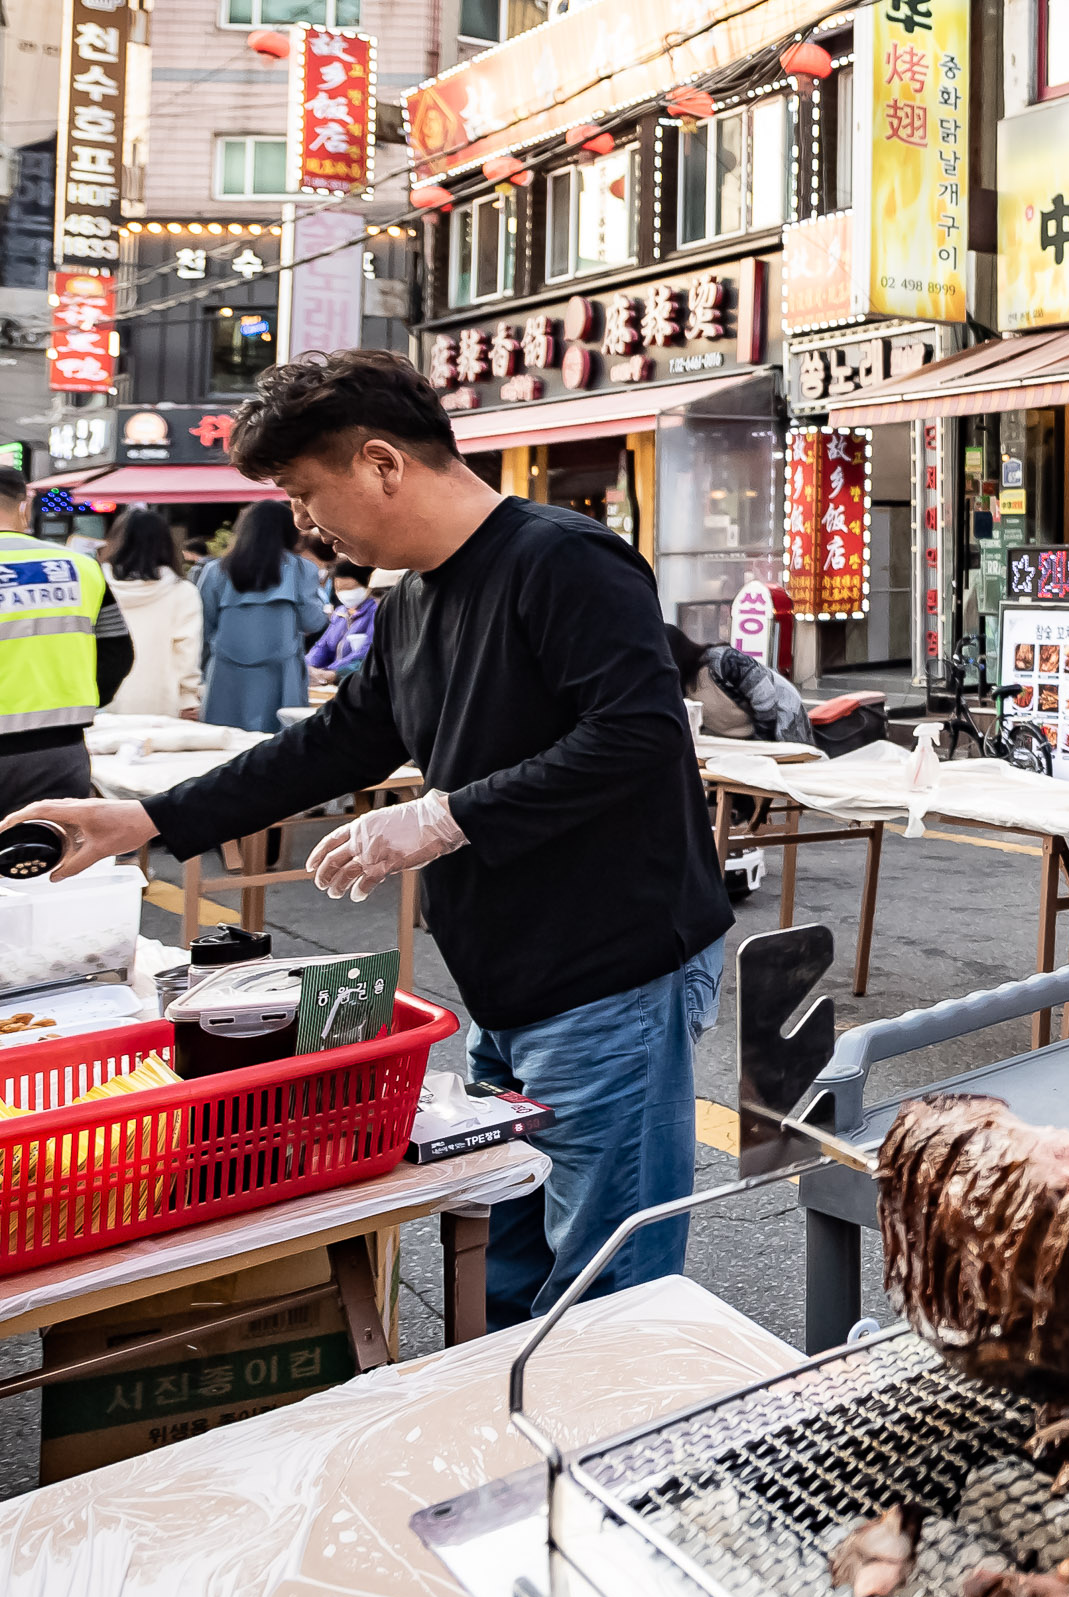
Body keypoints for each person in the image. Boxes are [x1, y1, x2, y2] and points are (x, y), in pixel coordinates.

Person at [5, 349, 732, 1328]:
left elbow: (638, 733)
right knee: (508, 1261)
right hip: (507, 977)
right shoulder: (414, 598)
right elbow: (339, 740)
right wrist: (148, 818)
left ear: (382, 463)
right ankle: (520, 1463)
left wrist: (445, 814)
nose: (306, 523)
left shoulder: (564, 558)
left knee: (605, 1284)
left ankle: (614, 1469)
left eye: (307, 493)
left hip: (612, 970)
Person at [0, 466, 131, 817]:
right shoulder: (80, 567)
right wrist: (81, 701)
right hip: (57, 752)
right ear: (25, 507)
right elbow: (118, 651)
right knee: (49, 861)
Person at [197, 499, 328, 732]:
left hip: (225, 674)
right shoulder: (302, 569)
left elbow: (203, 628)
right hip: (282, 674)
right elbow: (313, 621)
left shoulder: (215, 571)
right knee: (279, 747)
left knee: (223, 744)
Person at [100, 508, 203, 721]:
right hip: (161, 701)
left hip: (101, 698)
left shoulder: (95, 586)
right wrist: (188, 698)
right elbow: (186, 650)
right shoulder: (181, 591)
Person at [665, 623, 813, 744]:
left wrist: (762, 744)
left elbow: (765, 695)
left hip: (781, 714)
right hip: (737, 738)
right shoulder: (679, 685)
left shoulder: (723, 661)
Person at [305, 558, 378, 685]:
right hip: (332, 680)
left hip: (356, 681)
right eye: (339, 589)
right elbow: (323, 646)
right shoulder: (340, 613)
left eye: (350, 588)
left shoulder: (375, 612)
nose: (345, 594)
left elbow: (366, 654)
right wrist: (308, 666)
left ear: (366, 585)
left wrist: (334, 672)